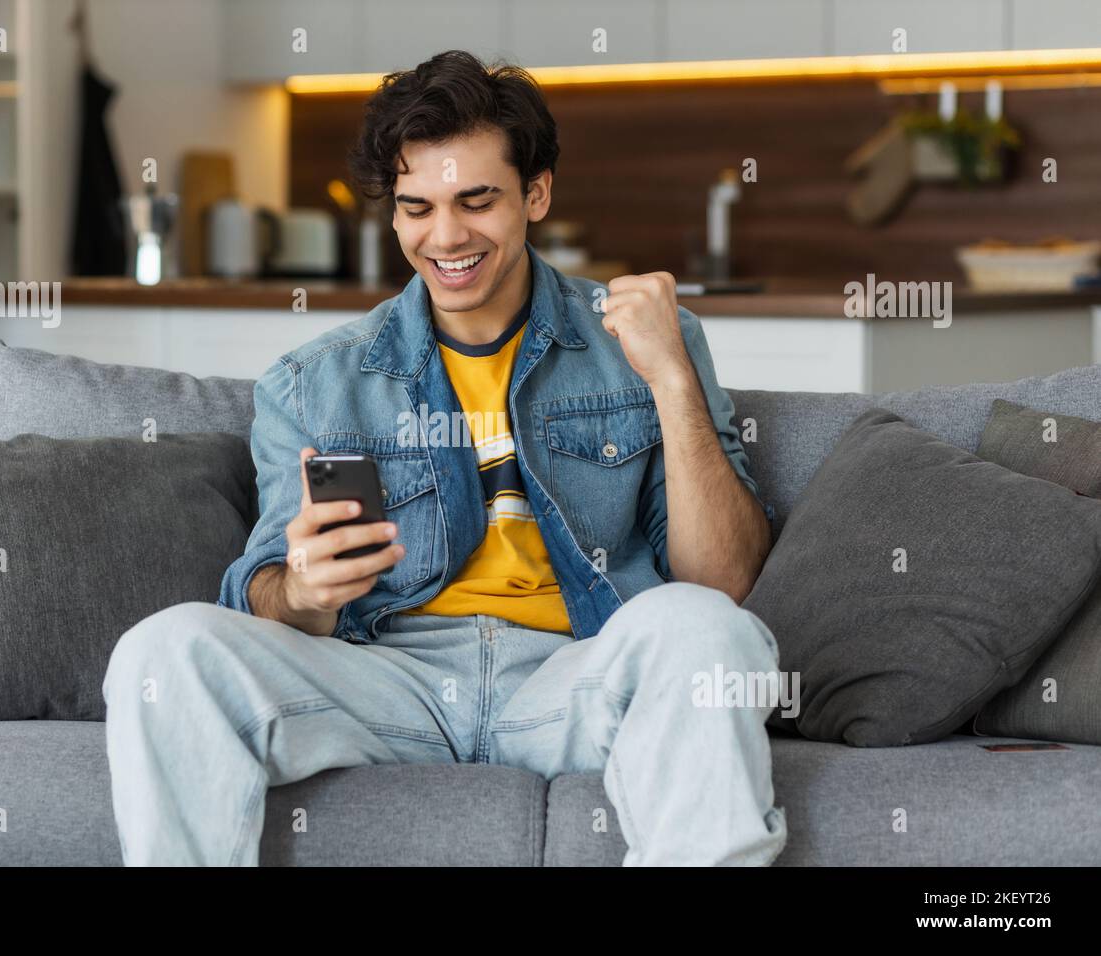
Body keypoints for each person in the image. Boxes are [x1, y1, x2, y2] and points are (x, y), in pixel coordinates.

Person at [102, 50, 787, 867]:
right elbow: (262, 594)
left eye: (476, 200)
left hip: (575, 675)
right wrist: (304, 590)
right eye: (416, 208)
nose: (446, 236)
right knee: (162, 650)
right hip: (390, 681)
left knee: (710, 632)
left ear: (536, 194)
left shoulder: (637, 344)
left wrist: (671, 377)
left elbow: (726, 582)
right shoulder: (313, 383)